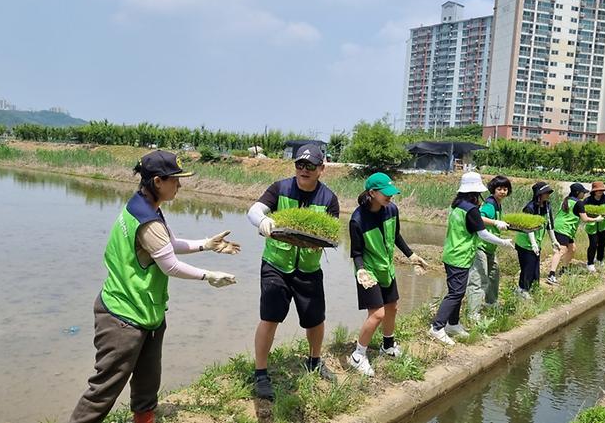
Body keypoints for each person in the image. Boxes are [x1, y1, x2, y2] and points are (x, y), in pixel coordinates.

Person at [69, 150, 239, 423]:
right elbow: (169, 265)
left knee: (148, 381)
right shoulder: (146, 219)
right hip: (123, 317)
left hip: (147, 312)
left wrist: (205, 244)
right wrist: (208, 276)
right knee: (104, 389)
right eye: (176, 180)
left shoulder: (146, 207)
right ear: (158, 181)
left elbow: (167, 246)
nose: (180, 186)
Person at [246, 144, 340, 401]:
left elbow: (331, 234)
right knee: (270, 317)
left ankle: (314, 361)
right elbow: (254, 210)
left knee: (315, 319)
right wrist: (263, 220)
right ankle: (261, 372)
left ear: (322, 169)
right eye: (300, 164)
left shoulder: (329, 199)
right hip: (276, 264)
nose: (304, 170)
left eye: (310, 166)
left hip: (308, 269)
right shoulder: (280, 188)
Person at [347, 173, 429, 376]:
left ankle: (388, 346)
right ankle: (358, 355)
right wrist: (361, 271)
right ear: (372, 192)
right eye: (386, 193)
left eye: (391, 193)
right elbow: (356, 252)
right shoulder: (357, 219)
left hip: (387, 268)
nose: (390, 197)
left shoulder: (391, 209)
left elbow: (396, 235)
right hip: (368, 271)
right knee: (377, 314)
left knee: (392, 307)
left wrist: (411, 255)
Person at [428, 172, 514, 345]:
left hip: (452, 252)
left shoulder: (457, 205)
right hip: (460, 255)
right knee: (455, 293)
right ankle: (437, 327)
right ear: (475, 191)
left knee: (457, 292)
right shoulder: (471, 209)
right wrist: (503, 241)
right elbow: (483, 234)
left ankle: (453, 324)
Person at [465, 175, 512, 320]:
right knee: (479, 279)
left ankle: (491, 303)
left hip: (490, 247)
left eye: (505, 189)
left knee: (493, 275)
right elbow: (479, 217)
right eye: (500, 189)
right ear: (493, 190)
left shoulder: (498, 203)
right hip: (481, 246)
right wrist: (495, 222)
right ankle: (473, 313)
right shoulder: (490, 204)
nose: (503, 192)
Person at [548, 183, 604, 284]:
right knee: (561, 250)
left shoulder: (567, 199)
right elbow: (585, 219)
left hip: (562, 227)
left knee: (572, 249)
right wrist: (597, 219)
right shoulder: (579, 203)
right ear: (578, 193)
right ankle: (551, 275)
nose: (584, 195)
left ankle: (564, 269)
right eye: (583, 192)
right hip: (563, 229)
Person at [515, 181, 557, 299]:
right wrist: (533, 243)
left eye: (549, 192)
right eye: (546, 192)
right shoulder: (530, 208)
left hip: (536, 243)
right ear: (539, 194)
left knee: (535, 269)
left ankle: (532, 289)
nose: (548, 194)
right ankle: (522, 290)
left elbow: (549, 224)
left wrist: (554, 240)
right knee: (527, 268)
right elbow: (529, 227)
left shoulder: (547, 206)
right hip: (525, 244)